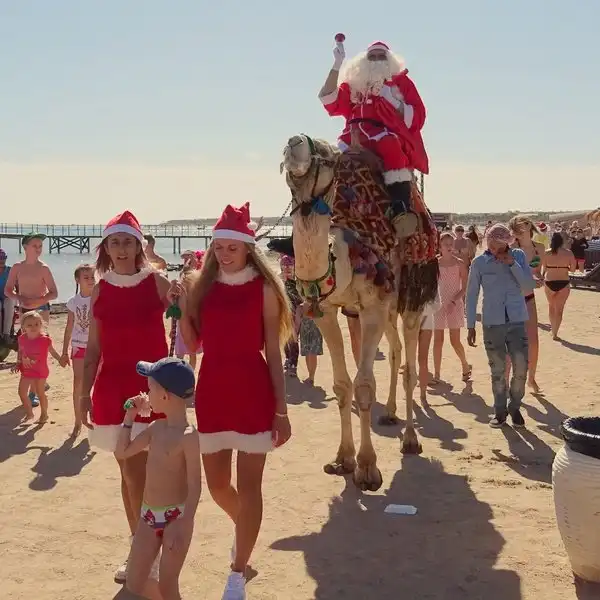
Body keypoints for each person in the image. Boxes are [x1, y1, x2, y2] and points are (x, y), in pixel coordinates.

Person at [176, 202, 292, 600]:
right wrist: (182, 309)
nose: (224, 254)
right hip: (212, 391)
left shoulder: (264, 288)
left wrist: (281, 410)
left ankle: (238, 571)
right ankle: (246, 532)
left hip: (253, 391)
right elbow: (192, 342)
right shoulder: (201, 286)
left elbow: (273, 353)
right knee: (217, 485)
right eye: (219, 247)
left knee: (250, 486)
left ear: (247, 249)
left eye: (232, 247)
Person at [80, 210, 171, 585]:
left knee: (140, 476)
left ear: (139, 246)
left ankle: (147, 550)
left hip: (151, 388)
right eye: (114, 242)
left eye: (128, 242)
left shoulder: (158, 283)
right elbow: (93, 349)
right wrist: (82, 394)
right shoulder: (100, 289)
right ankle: (140, 546)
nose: (121, 249)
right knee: (127, 473)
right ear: (106, 248)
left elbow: (190, 322)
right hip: (110, 388)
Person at [319, 37, 428, 237]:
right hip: (351, 135)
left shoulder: (401, 83)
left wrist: (391, 98)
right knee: (324, 158)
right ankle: (312, 214)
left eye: (381, 56)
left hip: (383, 134)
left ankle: (400, 207)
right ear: (364, 60)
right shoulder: (354, 83)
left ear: (390, 60)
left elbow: (418, 117)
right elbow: (328, 99)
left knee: (391, 145)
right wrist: (336, 65)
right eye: (372, 56)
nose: (377, 60)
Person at [115, 358, 201, 600]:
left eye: (150, 388)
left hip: (176, 518)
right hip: (148, 516)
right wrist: (129, 417)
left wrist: (185, 523)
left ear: (165, 395)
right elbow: (122, 452)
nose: (147, 393)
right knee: (135, 583)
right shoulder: (155, 428)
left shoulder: (188, 437)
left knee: (168, 585)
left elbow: (195, 485)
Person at [466, 224, 535, 429]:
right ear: (487, 242)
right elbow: (472, 294)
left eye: (501, 246)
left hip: (517, 321)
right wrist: (470, 325)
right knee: (497, 370)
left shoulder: (518, 256)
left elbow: (528, 287)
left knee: (521, 367)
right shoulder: (479, 263)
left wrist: (512, 264)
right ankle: (499, 411)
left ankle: (515, 406)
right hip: (492, 323)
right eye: (493, 246)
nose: (496, 250)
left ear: (508, 244)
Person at [508, 216, 545, 393]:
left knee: (534, 342)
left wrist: (538, 278)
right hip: (512, 300)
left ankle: (531, 378)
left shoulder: (539, 248)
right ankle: (507, 380)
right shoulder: (511, 249)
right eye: (516, 230)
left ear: (529, 226)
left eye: (521, 228)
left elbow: (537, 271)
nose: (519, 232)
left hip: (529, 297)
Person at [60, 264, 95, 437]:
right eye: (86, 277)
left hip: (96, 347)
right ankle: (78, 420)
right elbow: (69, 327)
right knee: (78, 383)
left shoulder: (98, 298)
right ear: (77, 280)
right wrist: (64, 352)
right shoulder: (73, 302)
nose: (90, 280)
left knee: (96, 383)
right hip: (79, 346)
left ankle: (95, 417)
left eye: (92, 277)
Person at [12, 310, 64, 423]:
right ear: (23, 326)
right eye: (29, 325)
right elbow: (20, 351)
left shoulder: (45, 340)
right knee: (22, 392)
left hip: (40, 371)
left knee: (40, 393)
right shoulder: (22, 338)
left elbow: (53, 352)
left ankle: (44, 414)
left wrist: (60, 359)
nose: (33, 327)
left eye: (36, 324)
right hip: (26, 370)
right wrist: (18, 363)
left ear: (41, 324)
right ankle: (29, 414)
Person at [432, 233, 471, 382]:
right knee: (438, 341)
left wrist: (453, 301)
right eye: (445, 244)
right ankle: (437, 374)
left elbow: (465, 287)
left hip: (455, 305)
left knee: (455, 341)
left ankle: (465, 365)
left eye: (451, 244)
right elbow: (431, 286)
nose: (449, 247)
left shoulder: (460, 263)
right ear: (439, 246)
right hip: (438, 305)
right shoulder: (434, 264)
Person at [4, 232, 58, 323]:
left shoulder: (44, 268)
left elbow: (54, 293)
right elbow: (7, 290)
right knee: (25, 332)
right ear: (25, 247)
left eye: (40, 246)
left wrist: (38, 300)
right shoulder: (17, 267)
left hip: (41, 308)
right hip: (24, 307)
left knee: (41, 332)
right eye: (34, 246)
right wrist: (20, 298)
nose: (38, 249)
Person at [541, 233, 576, 340]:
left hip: (549, 281)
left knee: (551, 306)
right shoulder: (569, 253)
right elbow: (573, 269)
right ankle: (555, 333)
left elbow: (544, 268)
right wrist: (564, 267)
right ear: (562, 241)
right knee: (559, 310)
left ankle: (553, 330)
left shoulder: (546, 253)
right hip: (563, 282)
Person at [174, 251, 203, 370]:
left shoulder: (195, 280)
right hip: (183, 320)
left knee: (189, 352)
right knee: (182, 352)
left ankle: (189, 374)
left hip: (190, 320)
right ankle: (185, 373)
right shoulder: (186, 280)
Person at [0, 248, 15, 340]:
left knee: (10, 302)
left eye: (3, 258)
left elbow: (18, 285)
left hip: (7, 296)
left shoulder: (10, 270)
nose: (1, 260)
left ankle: (6, 334)